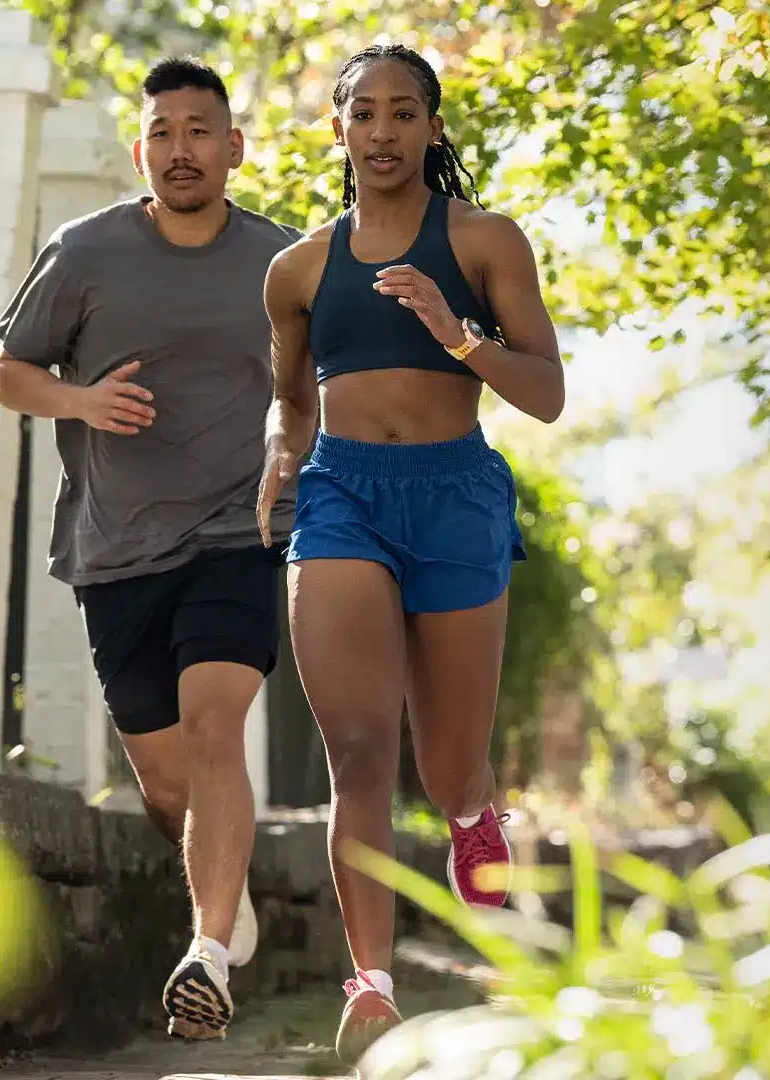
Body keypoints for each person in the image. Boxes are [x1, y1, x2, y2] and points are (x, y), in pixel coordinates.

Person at [255, 43, 565, 1062]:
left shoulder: (484, 242)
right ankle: (374, 986)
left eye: (403, 114)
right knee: (357, 751)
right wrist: (277, 458)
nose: (382, 133)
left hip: (457, 498)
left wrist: (457, 333)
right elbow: (292, 396)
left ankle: (476, 812)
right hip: (342, 493)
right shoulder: (297, 269)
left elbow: (547, 394)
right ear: (338, 131)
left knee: (445, 767)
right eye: (364, 115)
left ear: (433, 129)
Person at [0, 56, 300, 1042]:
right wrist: (79, 399)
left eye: (199, 130)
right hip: (117, 549)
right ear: (141, 149)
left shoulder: (283, 263)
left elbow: (320, 389)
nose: (181, 149)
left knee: (217, 731)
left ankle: (206, 951)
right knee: (170, 787)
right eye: (163, 132)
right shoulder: (84, 252)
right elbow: (10, 375)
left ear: (233, 147)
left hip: (238, 534)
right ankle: (227, 892)